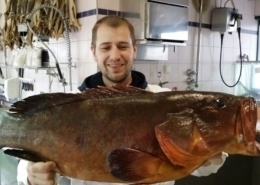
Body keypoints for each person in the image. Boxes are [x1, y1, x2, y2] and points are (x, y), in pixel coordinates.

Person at [17, 15, 227, 185]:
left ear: (134, 49)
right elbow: (25, 161)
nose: (115, 55)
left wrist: (210, 155)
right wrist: (30, 177)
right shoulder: (70, 105)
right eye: (106, 47)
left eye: (123, 46)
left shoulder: (164, 101)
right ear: (94, 52)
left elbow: (209, 166)